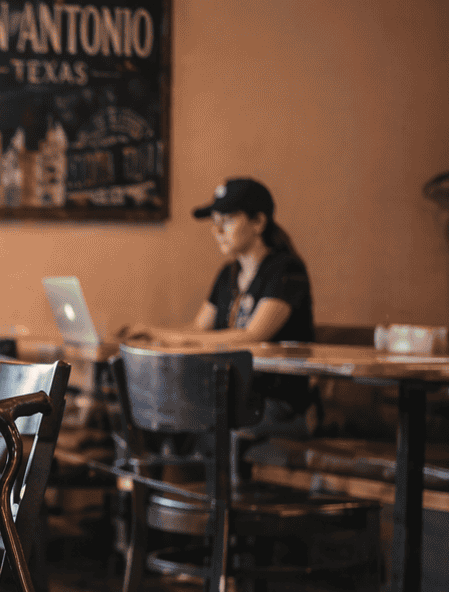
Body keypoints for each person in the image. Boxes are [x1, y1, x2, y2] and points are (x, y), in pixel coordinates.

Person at [120, 176, 315, 435]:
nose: (217, 231)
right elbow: (199, 330)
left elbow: (252, 337)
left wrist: (159, 335)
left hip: (275, 402)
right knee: (148, 408)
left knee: (176, 419)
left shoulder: (286, 270)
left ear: (258, 222)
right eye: (214, 222)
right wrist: (152, 335)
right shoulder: (228, 273)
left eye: (228, 220)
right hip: (234, 397)